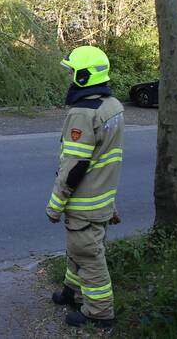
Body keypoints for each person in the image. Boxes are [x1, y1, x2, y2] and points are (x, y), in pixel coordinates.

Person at [47, 45, 124, 328]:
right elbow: (104, 159)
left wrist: (55, 205)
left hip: (84, 202)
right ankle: (73, 291)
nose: (69, 75)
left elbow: (75, 166)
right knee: (78, 250)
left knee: (88, 256)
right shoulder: (112, 106)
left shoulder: (83, 113)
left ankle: (100, 313)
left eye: (72, 71)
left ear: (83, 76)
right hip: (102, 198)